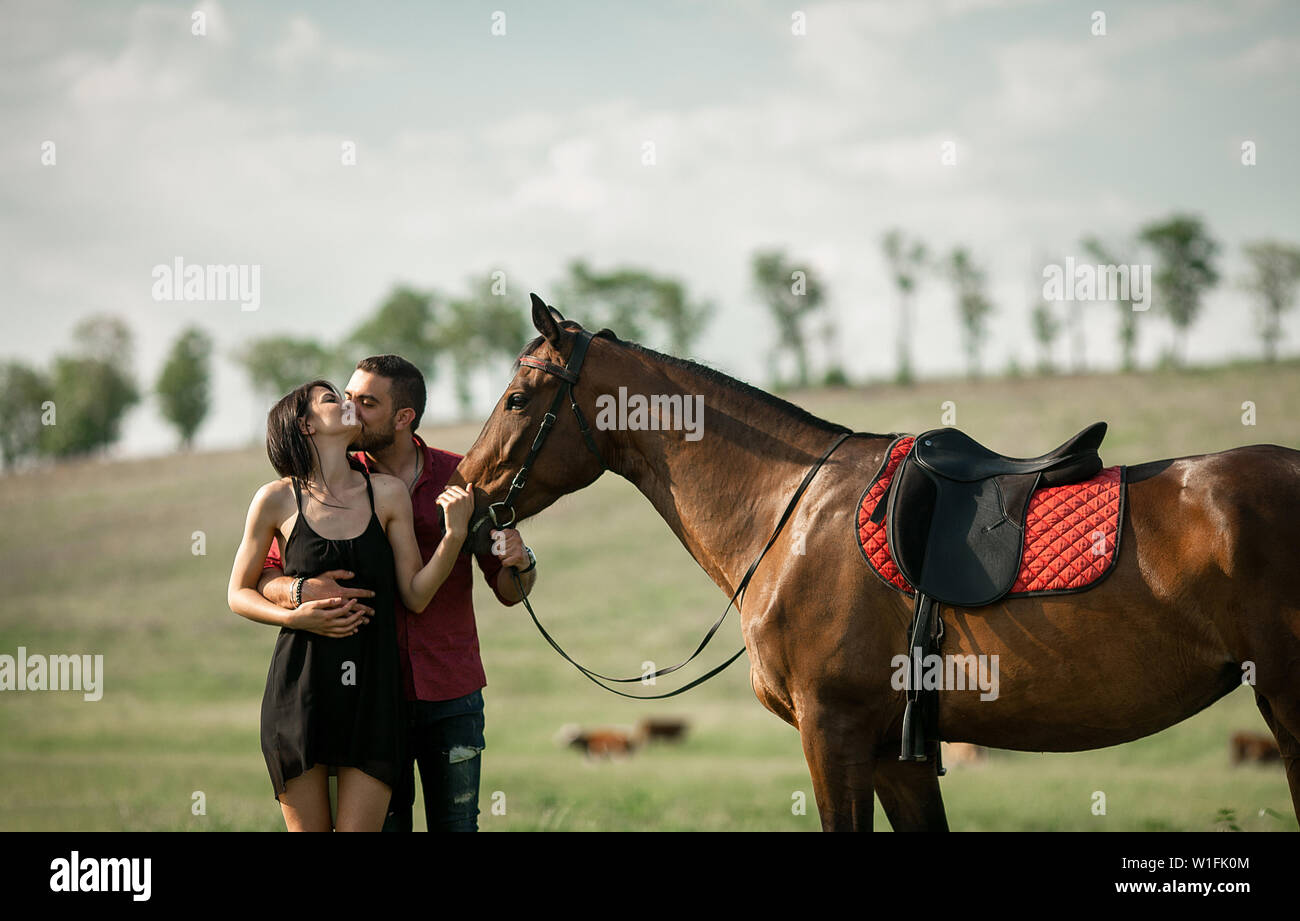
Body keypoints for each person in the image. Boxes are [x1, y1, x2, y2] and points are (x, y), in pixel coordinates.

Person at [257, 355, 537, 832]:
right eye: (345, 397)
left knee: (458, 827)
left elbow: (509, 589)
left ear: (403, 417)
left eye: (365, 402)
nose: (351, 408)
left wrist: (522, 558)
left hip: (450, 691)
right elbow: (267, 576)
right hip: (366, 691)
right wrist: (300, 591)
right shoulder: (326, 483)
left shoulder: (461, 479)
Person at [227, 378, 475, 831]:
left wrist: (454, 536)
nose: (346, 404)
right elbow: (238, 593)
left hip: (375, 695)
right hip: (300, 691)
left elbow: (416, 594)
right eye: (331, 400)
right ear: (304, 426)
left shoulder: (386, 493)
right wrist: (295, 612)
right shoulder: (275, 498)